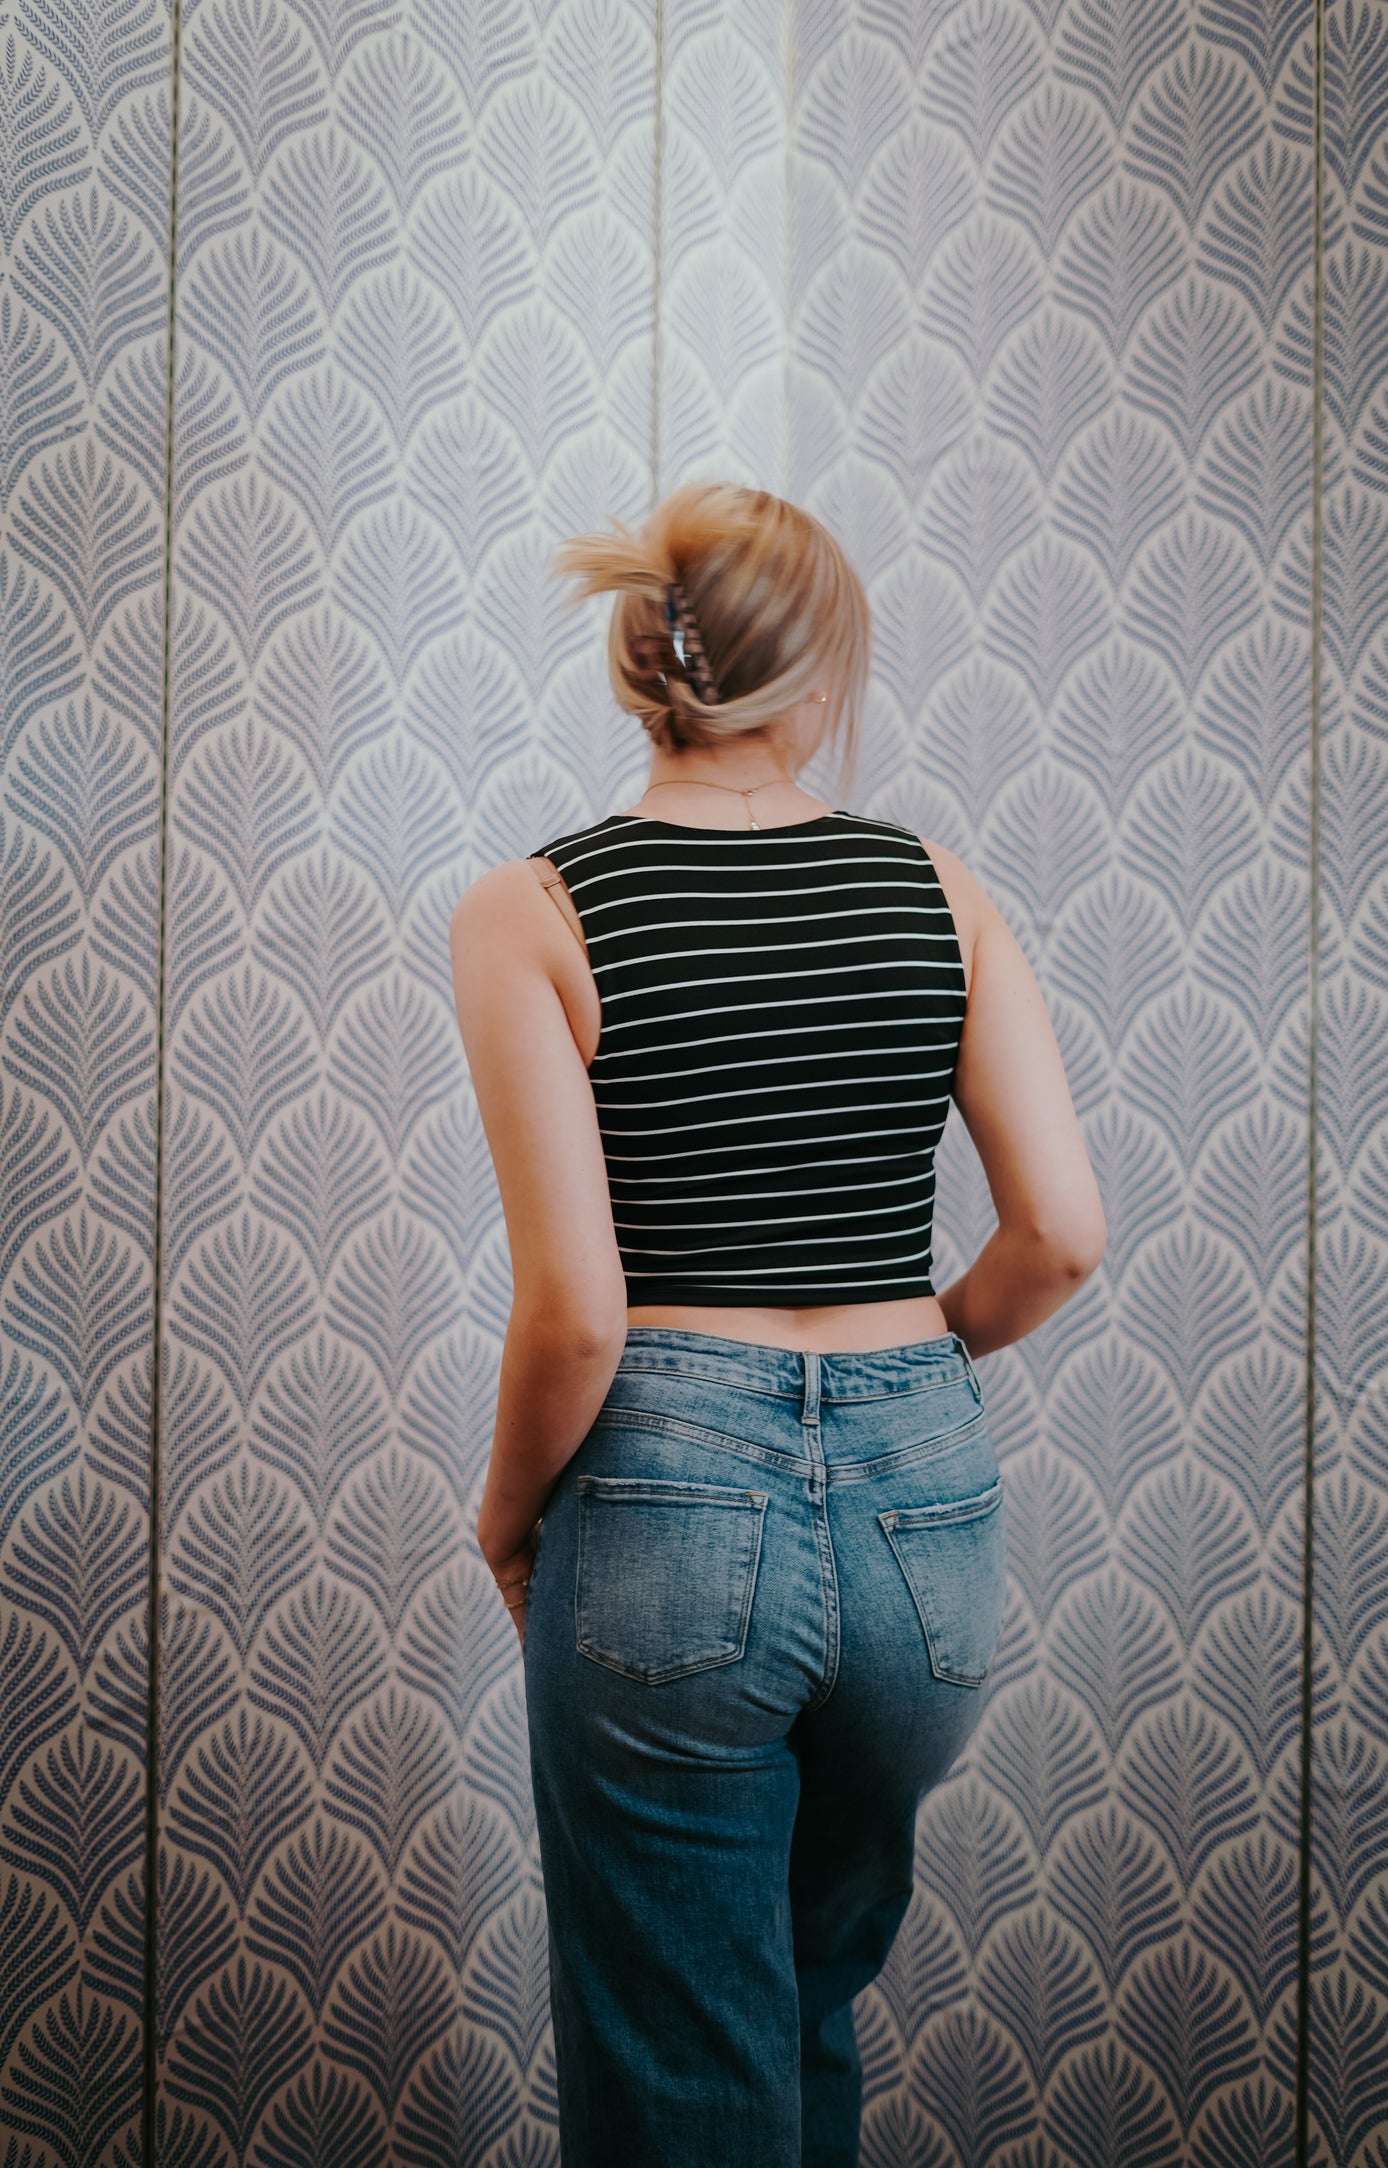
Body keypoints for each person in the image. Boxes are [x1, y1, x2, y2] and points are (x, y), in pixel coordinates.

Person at [448, 481, 1106, 2167]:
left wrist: (509, 1516)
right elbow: (1058, 1238)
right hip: (925, 1521)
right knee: (806, 2011)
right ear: (814, 684)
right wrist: (910, 1368)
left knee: (683, 2055)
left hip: (668, 1507)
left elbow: (579, 1315)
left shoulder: (531, 911)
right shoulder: (938, 892)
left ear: (633, 672)